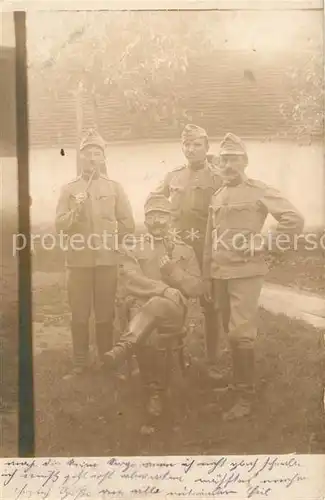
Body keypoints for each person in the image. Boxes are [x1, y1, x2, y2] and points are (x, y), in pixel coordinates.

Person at [203, 132, 305, 420]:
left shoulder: (259, 190)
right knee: (230, 329)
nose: (228, 165)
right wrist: (207, 274)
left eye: (234, 159)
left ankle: (245, 397)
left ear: (245, 161)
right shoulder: (217, 196)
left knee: (240, 332)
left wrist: (265, 242)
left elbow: (293, 219)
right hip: (221, 272)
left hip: (246, 272)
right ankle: (237, 384)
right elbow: (210, 239)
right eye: (224, 159)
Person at [103, 193, 204, 432]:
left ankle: (125, 347)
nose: (158, 221)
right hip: (141, 310)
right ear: (146, 220)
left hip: (174, 312)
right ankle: (155, 393)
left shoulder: (184, 250)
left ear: (171, 219)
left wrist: (173, 271)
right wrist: (164, 289)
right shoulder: (133, 246)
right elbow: (130, 279)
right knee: (150, 318)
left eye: (163, 216)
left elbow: (196, 287)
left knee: (156, 307)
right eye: (152, 216)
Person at [55, 129, 135, 378]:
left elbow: (127, 223)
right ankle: (80, 363)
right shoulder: (69, 189)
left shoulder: (114, 188)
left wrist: (114, 245)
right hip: (78, 261)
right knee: (79, 312)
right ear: (81, 157)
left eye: (97, 153)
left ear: (103, 157)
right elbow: (60, 224)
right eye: (88, 153)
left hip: (106, 261)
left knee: (105, 313)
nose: (92, 158)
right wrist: (75, 212)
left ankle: (106, 360)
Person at [150, 123, 224, 372]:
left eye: (196, 144)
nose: (191, 149)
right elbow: (154, 199)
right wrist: (161, 225)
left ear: (206, 147)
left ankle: (212, 360)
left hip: (206, 249)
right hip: (177, 249)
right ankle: (171, 356)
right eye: (187, 144)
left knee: (210, 305)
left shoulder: (217, 177)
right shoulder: (173, 176)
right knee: (171, 301)